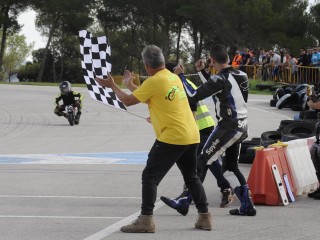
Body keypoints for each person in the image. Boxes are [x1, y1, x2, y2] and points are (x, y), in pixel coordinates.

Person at [95, 45, 212, 233]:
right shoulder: (172, 77)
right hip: (191, 134)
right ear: (163, 61)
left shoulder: (154, 81)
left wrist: (112, 86)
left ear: (146, 65)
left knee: (149, 176)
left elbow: (128, 101)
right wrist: (129, 85)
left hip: (173, 136)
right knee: (191, 176)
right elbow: (151, 95)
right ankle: (205, 217)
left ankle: (146, 220)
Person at [174, 44, 257, 216]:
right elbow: (217, 85)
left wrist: (181, 76)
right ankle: (247, 206)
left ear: (212, 60)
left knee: (202, 160)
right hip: (242, 126)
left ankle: (186, 201)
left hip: (228, 127)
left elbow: (193, 95)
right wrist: (202, 72)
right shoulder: (241, 74)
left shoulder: (219, 79)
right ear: (227, 58)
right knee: (230, 166)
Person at [160, 63, 234, 216]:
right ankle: (192, 192)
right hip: (203, 125)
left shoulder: (179, 83)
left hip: (199, 127)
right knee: (202, 160)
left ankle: (224, 188)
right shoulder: (185, 82)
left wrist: (189, 127)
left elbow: (191, 105)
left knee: (205, 160)